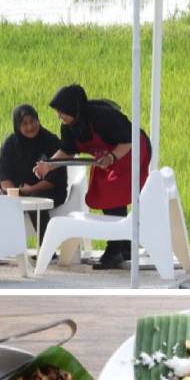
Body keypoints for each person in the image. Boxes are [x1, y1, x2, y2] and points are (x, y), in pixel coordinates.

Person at [33, 83, 152, 270]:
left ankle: (114, 250)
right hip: (106, 159)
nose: (59, 116)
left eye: (63, 112)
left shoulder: (103, 117)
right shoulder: (69, 127)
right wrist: (49, 165)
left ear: (74, 108)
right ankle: (125, 245)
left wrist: (111, 157)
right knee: (104, 193)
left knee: (113, 194)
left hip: (133, 151)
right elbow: (67, 151)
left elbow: (129, 139)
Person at [0, 103, 67, 240]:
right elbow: (3, 173)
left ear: (38, 120)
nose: (30, 127)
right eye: (25, 123)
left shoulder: (51, 141)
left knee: (35, 202)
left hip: (49, 191)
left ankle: (46, 248)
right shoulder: (10, 144)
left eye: (32, 121)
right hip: (18, 192)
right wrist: (13, 192)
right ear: (17, 126)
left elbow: (56, 178)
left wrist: (30, 190)